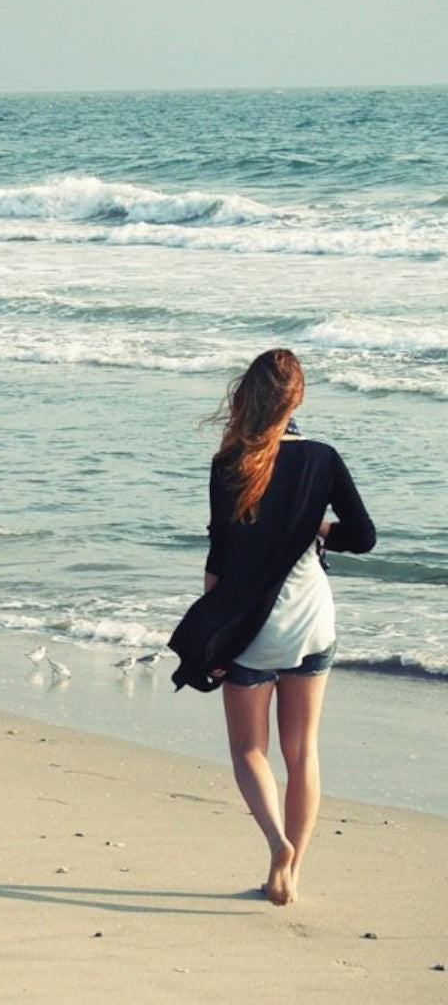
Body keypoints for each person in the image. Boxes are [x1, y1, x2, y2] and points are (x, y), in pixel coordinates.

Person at [166, 349, 375, 905]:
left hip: (253, 629)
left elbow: (219, 560)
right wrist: (319, 526)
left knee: (248, 751)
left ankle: (276, 842)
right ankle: (291, 873)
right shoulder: (323, 459)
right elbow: (364, 536)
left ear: (248, 398)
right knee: (302, 750)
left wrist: (214, 631)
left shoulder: (229, 463)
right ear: (297, 398)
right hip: (312, 622)